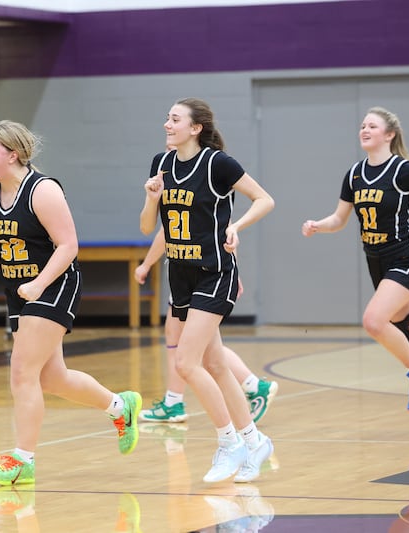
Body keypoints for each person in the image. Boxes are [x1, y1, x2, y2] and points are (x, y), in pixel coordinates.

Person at [0, 120, 142, 486]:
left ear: (12, 155)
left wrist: (38, 283)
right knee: (52, 377)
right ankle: (120, 406)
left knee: (21, 371)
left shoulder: (42, 190)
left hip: (55, 283)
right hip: (20, 289)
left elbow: (68, 246)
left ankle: (23, 460)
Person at [301, 106, 409, 434]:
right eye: (362, 125)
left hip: (407, 256)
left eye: (372, 126)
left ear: (389, 134)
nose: (364, 129)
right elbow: (339, 219)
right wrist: (317, 225)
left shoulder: (404, 171)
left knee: (373, 321)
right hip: (377, 262)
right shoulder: (354, 175)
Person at [139, 97, 275, 483]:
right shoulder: (161, 164)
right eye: (167, 118)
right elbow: (149, 227)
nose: (167, 124)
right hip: (180, 276)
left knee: (186, 363)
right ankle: (255, 440)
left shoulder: (217, 163)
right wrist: (152, 199)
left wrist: (237, 226)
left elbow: (265, 199)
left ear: (195, 128)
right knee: (214, 365)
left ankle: (228, 442)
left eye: (175, 119)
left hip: (215, 273)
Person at [135, 227, 278, 424]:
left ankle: (252, 386)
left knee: (198, 347)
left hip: (200, 277)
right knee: (179, 337)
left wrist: (146, 264)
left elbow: (166, 232)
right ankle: (173, 400)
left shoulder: (204, 197)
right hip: (190, 273)